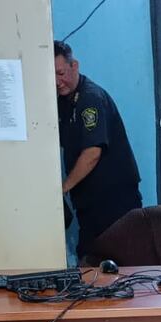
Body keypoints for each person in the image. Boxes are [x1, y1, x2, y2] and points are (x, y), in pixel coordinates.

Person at [54, 40, 142, 255]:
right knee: (91, 259)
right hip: (90, 201)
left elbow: (92, 153)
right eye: (51, 76)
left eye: (61, 73)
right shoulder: (64, 100)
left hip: (113, 200)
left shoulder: (90, 99)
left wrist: (62, 189)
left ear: (74, 66)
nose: (57, 81)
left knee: (117, 262)